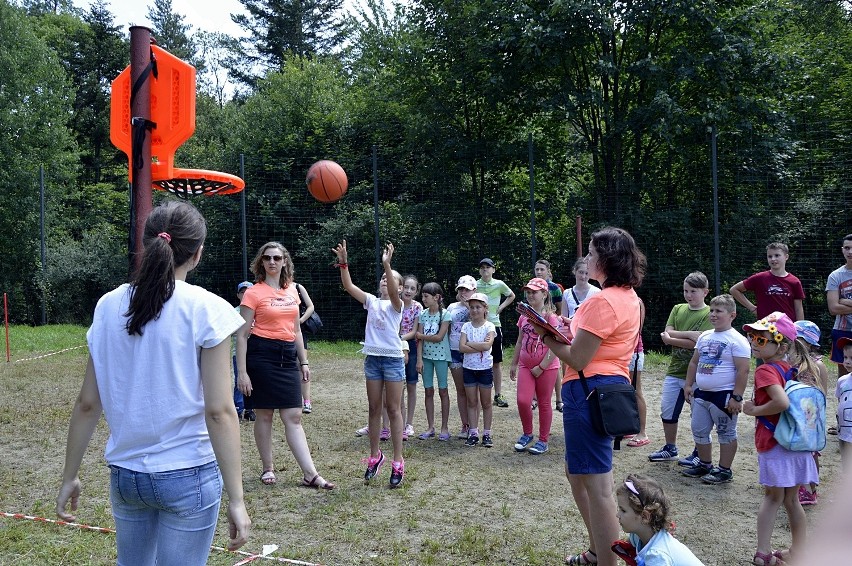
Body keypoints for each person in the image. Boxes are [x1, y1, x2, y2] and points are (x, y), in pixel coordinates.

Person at [56, 200, 250, 563]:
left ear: (147, 244)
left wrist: (69, 475)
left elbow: (87, 404)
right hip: (187, 475)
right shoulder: (208, 309)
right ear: (198, 253)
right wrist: (237, 500)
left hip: (126, 477)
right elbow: (221, 412)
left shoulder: (107, 305)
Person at [535, 226, 645, 566]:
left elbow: (578, 357)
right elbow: (603, 340)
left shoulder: (602, 300)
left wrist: (545, 335)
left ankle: (607, 560)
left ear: (607, 260)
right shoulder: (630, 298)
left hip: (587, 391)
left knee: (597, 488)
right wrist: (566, 325)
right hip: (603, 390)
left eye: (592, 254)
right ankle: (600, 550)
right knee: (578, 473)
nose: (586, 258)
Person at [236, 242, 335, 490]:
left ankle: (310, 474)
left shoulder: (292, 291)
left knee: (294, 415)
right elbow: (241, 334)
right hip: (261, 356)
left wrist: (304, 361)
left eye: (277, 258)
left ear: (284, 261)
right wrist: (242, 372)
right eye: (267, 258)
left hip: (287, 356)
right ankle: (267, 468)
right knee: (265, 414)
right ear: (261, 263)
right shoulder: (253, 293)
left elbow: (296, 329)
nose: (272, 262)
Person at [741, 312, 817, 566]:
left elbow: (781, 403)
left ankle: (763, 553)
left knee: (772, 498)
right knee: (791, 500)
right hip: (795, 443)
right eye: (753, 337)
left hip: (775, 445)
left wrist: (754, 410)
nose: (753, 342)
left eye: (761, 340)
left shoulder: (765, 370)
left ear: (781, 346)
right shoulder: (790, 369)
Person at [333, 240, 407, 487]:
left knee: (394, 410)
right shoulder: (372, 301)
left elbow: (395, 294)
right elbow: (348, 285)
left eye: (391, 279)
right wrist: (344, 262)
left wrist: (387, 264)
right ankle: (375, 456)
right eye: (384, 279)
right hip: (373, 359)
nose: (386, 281)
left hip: (393, 360)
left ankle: (398, 461)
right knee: (374, 408)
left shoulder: (398, 305)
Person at [681, 294, 750, 484]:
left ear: (732, 315)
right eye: (711, 310)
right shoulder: (704, 336)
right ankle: (705, 464)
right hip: (701, 394)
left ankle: (724, 470)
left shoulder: (738, 340)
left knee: (725, 433)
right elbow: (694, 362)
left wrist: (737, 397)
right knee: (699, 430)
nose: (713, 314)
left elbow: (743, 370)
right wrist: (688, 384)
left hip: (724, 395)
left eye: (718, 311)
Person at [649, 271, 712, 465]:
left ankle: (697, 453)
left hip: (698, 374)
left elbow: (701, 342)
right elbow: (667, 336)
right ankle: (670, 448)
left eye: (693, 291)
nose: (688, 295)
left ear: (705, 292)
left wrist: (678, 337)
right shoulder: (677, 309)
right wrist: (690, 335)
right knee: (667, 411)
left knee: (698, 416)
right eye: (686, 290)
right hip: (674, 370)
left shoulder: (711, 313)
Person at [509, 278, 560, 455]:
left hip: (546, 367)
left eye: (534, 292)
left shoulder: (551, 318)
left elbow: (557, 346)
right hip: (525, 365)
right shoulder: (524, 316)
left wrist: (542, 366)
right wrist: (514, 363)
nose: (530, 295)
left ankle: (543, 440)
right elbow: (519, 340)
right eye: (528, 292)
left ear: (544, 294)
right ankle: (527, 433)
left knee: (545, 403)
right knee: (523, 400)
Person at [614, 474, 705, 566]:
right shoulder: (637, 536)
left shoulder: (658, 555)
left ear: (645, 516)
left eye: (623, 510)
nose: (617, 515)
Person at [790, 321, 829, 505]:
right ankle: (795, 484)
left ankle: (811, 488)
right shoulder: (788, 361)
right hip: (792, 413)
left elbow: (823, 393)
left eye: (799, 338)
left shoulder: (818, 365)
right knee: (793, 450)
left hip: (810, 416)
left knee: (811, 453)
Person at [559, 258, 602, 413]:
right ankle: (569, 398)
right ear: (574, 272)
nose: (583, 276)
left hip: (588, 335)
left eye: (586, 273)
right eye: (580, 272)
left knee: (587, 366)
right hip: (571, 337)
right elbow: (563, 317)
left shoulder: (597, 292)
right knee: (569, 367)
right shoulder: (567, 293)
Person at [415, 282, 452, 440]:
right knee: (428, 391)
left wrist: (421, 335)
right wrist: (419, 360)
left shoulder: (445, 315)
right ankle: (430, 427)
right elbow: (419, 341)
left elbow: (438, 337)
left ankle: (445, 428)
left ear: (436, 297)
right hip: (426, 358)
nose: (423, 298)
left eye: (426, 296)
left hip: (441, 357)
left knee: (443, 390)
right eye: (422, 296)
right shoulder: (422, 314)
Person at [730, 242, 805, 322]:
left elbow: (798, 309)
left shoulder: (794, 281)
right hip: (764, 328)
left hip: (788, 328)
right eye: (770, 256)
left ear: (786, 257)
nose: (773, 259)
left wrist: (800, 330)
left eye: (777, 255)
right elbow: (734, 290)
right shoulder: (760, 278)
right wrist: (752, 308)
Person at [476, 258, 516, 408]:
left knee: (496, 362)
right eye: (482, 268)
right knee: (478, 360)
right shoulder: (475, 284)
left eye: (488, 267)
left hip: (495, 325)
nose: (485, 270)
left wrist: (501, 307)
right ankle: (480, 395)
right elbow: (464, 297)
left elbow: (511, 295)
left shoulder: (499, 284)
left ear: (493, 270)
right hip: (478, 327)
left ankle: (498, 394)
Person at [460, 292, 497, 447]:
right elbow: (461, 347)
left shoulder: (490, 326)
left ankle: (486, 433)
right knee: (472, 401)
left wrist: (471, 343)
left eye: (478, 307)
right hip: (468, 368)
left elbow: (487, 346)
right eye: (472, 307)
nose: (474, 310)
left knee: (486, 402)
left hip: (485, 369)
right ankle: (473, 432)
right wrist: (479, 345)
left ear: (485, 308)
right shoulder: (466, 326)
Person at [448, 276, 476, 438]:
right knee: (461, 389)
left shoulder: (479, 305)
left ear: (474, 290)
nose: (463, 292)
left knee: (473, 390)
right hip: (454, 351)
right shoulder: (452, 307)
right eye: (461, 289)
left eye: (467, 289)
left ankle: (474, 425)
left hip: (471, 351)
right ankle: (465, 424)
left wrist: (468, 304)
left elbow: (479, 321)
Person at [399, 275, 423, 440]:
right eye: (406, 287)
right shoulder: (394, 303)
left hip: (411, 346)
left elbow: (415, 332)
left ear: (416, 291)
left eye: (412, 288)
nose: (408, 291)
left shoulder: (418, 307)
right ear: (400, 287)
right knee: (398, 386)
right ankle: (398, 423)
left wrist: (401, 340)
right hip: (394, 346)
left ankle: (409, 423)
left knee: (411, 385)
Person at [827, 234, 852, 378]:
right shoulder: (835, 276)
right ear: (842, 250)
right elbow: (833, 308)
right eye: (847, 248)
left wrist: (844, 301)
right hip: (842, 330)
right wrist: (838, 303)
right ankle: (844, 401)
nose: (850, 252)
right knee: (844, 375)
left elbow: (838, 304)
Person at [233, 281, 253, 420]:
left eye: (249, 291)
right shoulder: (234, 312)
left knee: (254, 380)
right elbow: (230, 330)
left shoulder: (258, 311)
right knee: (239, 379)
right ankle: (238, 407)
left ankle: (250, 409)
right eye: (242, 291)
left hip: (255, 351)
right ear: (238, 295)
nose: (245, 294)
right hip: (238, 353)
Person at [626, 332, 651, 447]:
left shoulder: (637, 312)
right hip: (621, 350)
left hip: (632, 351)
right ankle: (626, 427)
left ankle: (642, 433)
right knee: (623, 391)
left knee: (636, 391)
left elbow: (636, 327)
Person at [295, 281, 316, 414]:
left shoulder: (297, 287)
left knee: (302, 366)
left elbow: (310, 306)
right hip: (278, 333)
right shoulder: (271, 287)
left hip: (298, 332)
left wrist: (301, 320)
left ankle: (306, 401)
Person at [834, 337, 852, 472]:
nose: (847, 362)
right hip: (844, 430)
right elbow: (840, 400)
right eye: (845, 357)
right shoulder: (842, 381)